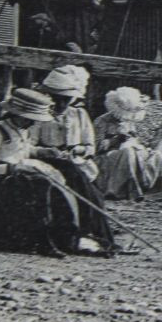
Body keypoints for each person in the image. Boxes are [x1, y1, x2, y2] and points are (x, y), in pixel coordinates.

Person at [0, 89, 90, 255]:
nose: (34, 123)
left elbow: (23, 151)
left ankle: (62, 238)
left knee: (55, 185)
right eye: (31, 119)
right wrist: (15, 168)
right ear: (19, 114)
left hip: (20, 176)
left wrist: (43, 152)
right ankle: (41, 240)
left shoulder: (23, 130)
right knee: (39, 186)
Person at [33, 66, 115, 252]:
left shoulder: (79, 114)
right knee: (71, 183)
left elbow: (90, 146)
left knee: (93, 194)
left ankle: (96, 234)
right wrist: (47, 151)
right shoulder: (39, 115)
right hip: (49, 162)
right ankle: (74, 235)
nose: (61, 103)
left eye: (66, 99)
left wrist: (77, 150)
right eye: (56, 98)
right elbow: (28, 146)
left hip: (76, 162)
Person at [94, 87, 162, 200]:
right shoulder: (102, 121)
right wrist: (115, 140)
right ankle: (128, 190)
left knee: (157, 155)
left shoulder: (129, 121)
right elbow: (97, 147)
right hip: (108, 157)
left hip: (131, 151)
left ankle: (159, 193)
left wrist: (135, 141)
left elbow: (134, 139)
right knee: (128, 153)